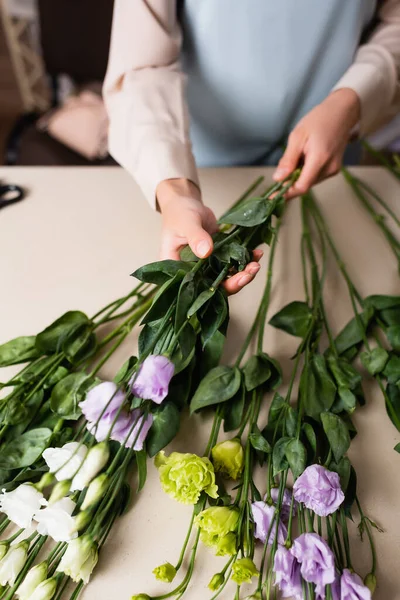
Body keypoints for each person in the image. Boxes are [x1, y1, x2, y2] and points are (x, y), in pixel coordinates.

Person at [104, 0, 400, 293]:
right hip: (199, 168)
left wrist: (351, 101)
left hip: (330, 160)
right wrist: (175, 193)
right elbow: (142, 64)